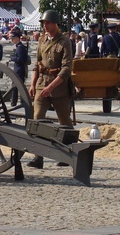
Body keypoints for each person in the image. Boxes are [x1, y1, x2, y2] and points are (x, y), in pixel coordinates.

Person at [27, 9, 73, 169]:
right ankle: (38, 156)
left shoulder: (64, 41)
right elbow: (37, 64)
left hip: (58, 87)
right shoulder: (42, 40)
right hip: (41, 84)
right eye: (43, 23)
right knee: (37, 119)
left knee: (65, 122)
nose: (45, 26)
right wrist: (33, 84)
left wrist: (51, 87)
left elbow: (66, 69)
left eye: (47, 23)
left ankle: (68, 155)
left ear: (55, 24)